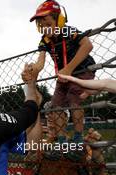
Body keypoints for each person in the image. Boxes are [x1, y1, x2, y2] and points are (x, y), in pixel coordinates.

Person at [30, 0, 96, 144]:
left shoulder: (67, 30)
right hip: (64, 74)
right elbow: (40, 62)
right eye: (41, 26)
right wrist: (32, 70)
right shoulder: (45, 40)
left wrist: (69, 69)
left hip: (81, 70)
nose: (45, 28)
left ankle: (78, 138)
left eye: (48, 24)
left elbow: (87, 45)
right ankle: (61, 140)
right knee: (55, 106)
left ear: (59, 20)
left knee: (74, 98)